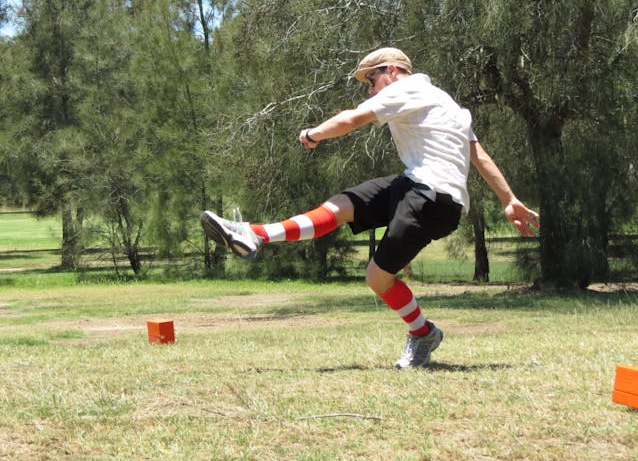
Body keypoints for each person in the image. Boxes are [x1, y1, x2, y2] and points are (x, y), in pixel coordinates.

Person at [201, 48, 539, 369]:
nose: (371, 90)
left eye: (372, 81)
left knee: (377, 278)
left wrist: (313, 134)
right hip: (415, 185)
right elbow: (477, 154)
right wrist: (509, 199)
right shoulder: (445, 101)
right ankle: (255, 234)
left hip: (433, 200)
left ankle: (423, 334)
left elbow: (353, 118)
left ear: (392, 71)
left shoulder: (407, 89)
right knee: (339, 206)